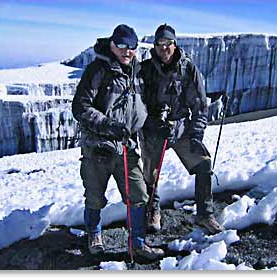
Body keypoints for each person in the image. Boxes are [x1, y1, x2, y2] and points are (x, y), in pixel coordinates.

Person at [72, 24, 164, 261]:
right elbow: (80, 106)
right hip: (99, 148)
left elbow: (143, 105)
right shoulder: (97, 69)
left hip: (126, 147)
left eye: (132, 46)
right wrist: (108, 125)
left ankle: (138, 243)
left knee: (139, 195)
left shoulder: (137, 72)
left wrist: (158, 120)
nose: (127, 51)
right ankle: (94, 234)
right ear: (112, 44)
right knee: (95, 196)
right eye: (121, 45)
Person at [140, 24, 224, 235]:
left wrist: (196, 134)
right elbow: (136, 103)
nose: (164, 48)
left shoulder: (188, 69)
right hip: (154, 129)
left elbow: (199, 105)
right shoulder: (145, 69)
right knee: (151, 172)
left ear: (174, 44)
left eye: (168, 43)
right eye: (159, 44)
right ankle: (152, 209)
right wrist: (150, 122)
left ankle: (205, 214)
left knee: (203, 163)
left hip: (181, 128)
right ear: (155, 46)